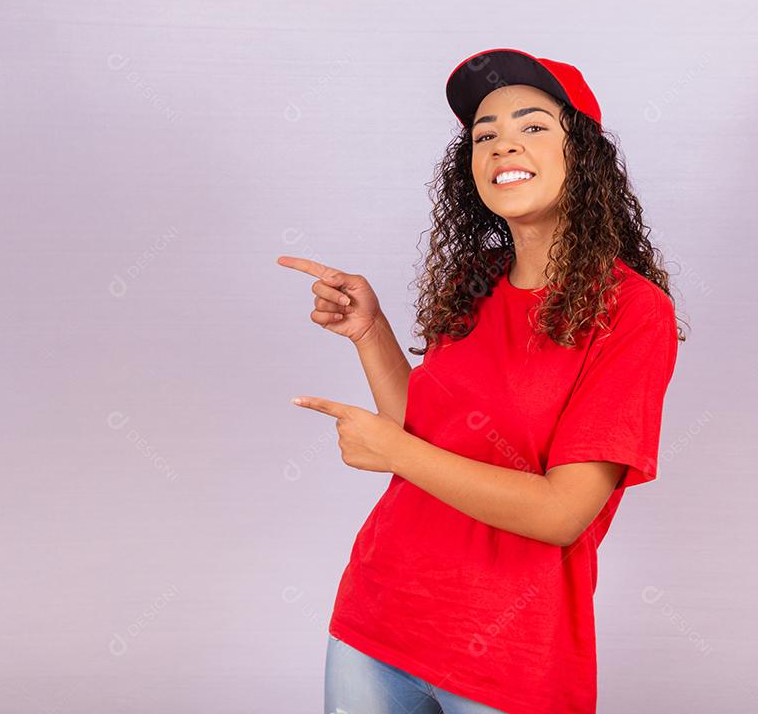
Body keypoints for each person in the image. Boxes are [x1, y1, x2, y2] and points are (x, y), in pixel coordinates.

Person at [278, 47, 686, 714]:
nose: (503, 147)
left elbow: (563, 513)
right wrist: (370, 331)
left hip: (512, 661)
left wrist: (392, 451)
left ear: (581, 155)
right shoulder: (473, 281)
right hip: (376, 621)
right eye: (484, 136)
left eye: (531, 127)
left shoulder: (632, 311)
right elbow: (430, 431)